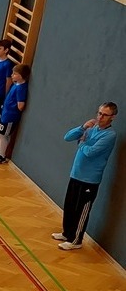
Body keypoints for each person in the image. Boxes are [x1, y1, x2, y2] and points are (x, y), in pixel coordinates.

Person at [53, 102, 118, 250]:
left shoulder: (110, 135)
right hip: (76, 174)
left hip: (89, 180)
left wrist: (81, 142)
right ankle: (67, 233)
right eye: (99, 113)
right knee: (69, 206)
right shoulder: (91, 129)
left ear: (112, 117)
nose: (100, 117)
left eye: (105, 115)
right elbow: (67, 137)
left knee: (81, 211)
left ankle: (76, 241)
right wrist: (82, 128)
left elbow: (90, 152)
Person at [0, 62, 29, 164]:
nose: (12, 75)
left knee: (3, 135)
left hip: (10, 116)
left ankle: (2, 156)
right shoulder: (16, 85)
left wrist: (13, 108)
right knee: (0, 134)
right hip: (6, 114)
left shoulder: (21, 88)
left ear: (21, 76)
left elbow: (20, 105)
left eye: (15, 74)